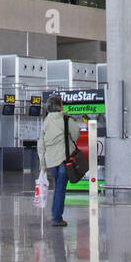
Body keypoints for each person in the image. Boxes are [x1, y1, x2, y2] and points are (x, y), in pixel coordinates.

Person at [37, 96, 81, 226]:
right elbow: (76, 134)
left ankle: (55, 214)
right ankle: (57, 217)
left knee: (58, 186)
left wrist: (43, 164)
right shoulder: (66, 119)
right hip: (64, 159)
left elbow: (41, 144)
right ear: (60, 106)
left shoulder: (46, 121)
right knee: (61, 187)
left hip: (51, 161)